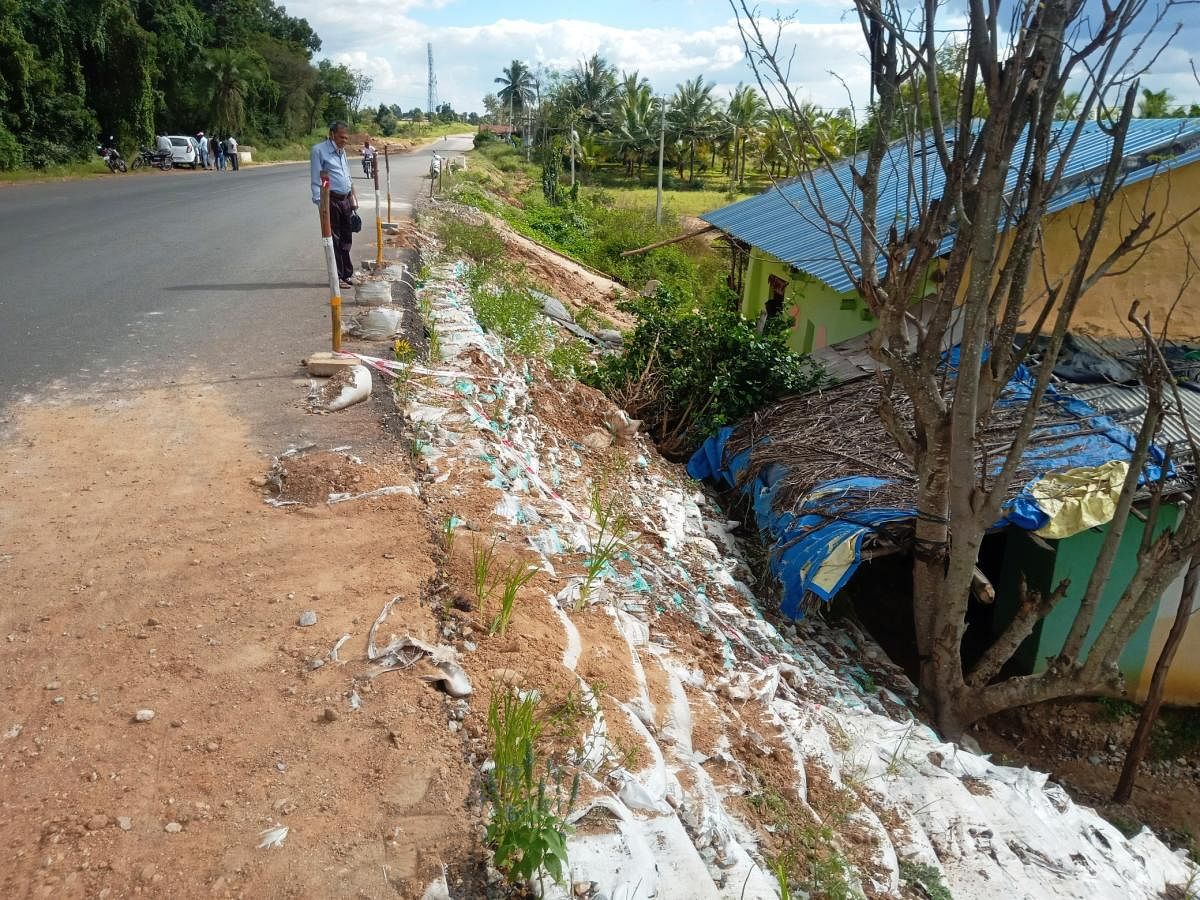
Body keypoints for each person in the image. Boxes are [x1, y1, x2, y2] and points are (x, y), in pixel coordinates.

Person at [310, 121, 358, 287]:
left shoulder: (342, 151)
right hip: (330, 200)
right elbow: (317, 180)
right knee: (335, 240)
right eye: (341, 137)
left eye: (346, 138)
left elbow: (347, 175)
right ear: (332, 135)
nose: (344, 140)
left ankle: (347, 274)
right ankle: (336, 277)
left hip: (345, 199)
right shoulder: (319, 151)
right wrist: (321, 206)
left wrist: (352, 197)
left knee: (346, 238)